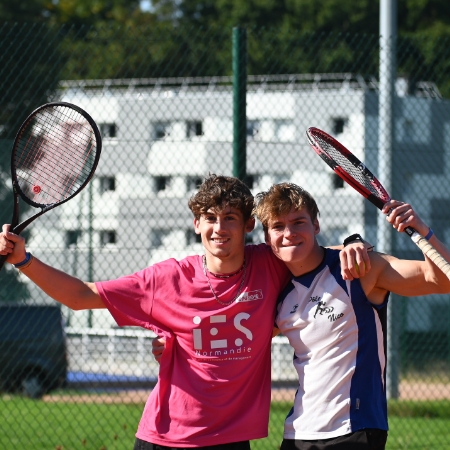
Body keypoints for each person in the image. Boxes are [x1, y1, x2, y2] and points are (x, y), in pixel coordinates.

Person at [0, 174, 369, 450]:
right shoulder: (167, 279)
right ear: (196, 225)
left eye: (229, 218)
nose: (218, 227)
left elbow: (306, 249)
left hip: (231, 439)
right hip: (167, 438)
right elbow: (81, 295)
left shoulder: (268, 264)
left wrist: (354, 243)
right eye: (209, 218)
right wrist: (24, 260)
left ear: (248, 226)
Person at [251, 182, 450, 450]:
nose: (289, 233)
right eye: (278, 226)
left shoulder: (358, 270)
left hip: (354, 429)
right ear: (267, 237)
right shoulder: (280, 292)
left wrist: (422, 231)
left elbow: (440, 280)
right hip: (298, 433)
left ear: (316, 226)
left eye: (298, 222)